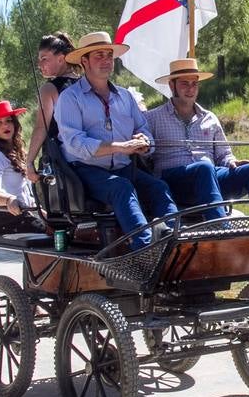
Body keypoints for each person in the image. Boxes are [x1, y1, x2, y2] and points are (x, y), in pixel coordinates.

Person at [55, 32, 177, 249]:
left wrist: (145, 142)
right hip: (85, 171)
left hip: (123, 167)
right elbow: (76, 143)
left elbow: (142, 128)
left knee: (158, 187)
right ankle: (144, 249)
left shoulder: (125, 96)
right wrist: (119, 147)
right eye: (99, 55)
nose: (106, 60)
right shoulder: (70, 98)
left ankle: (173, 239)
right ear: (84, 61)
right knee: (122, 188)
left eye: (109, 55)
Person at [145, 58, 249, 222]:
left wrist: (232, 162)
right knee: (204, 168)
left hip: (210, 177)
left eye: (194, 83)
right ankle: (220, 227)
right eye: (184, 84)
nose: (190, 89)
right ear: (172, 86)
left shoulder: (210, 118)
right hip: (175, 181)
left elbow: (224, 154)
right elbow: (144, 154)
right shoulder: (152, 118)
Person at [0, 100, 48, 236]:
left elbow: (24, 194)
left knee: (63, 227)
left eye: (8, 120)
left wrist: (43, 214)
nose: (5, 125)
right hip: (2, 217)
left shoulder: (17, 152)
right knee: (54, 235)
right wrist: (9, 199)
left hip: (21, 213)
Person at [25, 31, 79, 182]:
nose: (39, 65)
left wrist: (29, 162)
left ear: (61, 59)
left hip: (63, 164)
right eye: (39, 60)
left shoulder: (49, 89)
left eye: (44, 59)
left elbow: (41, 127)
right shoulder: (85, 83)